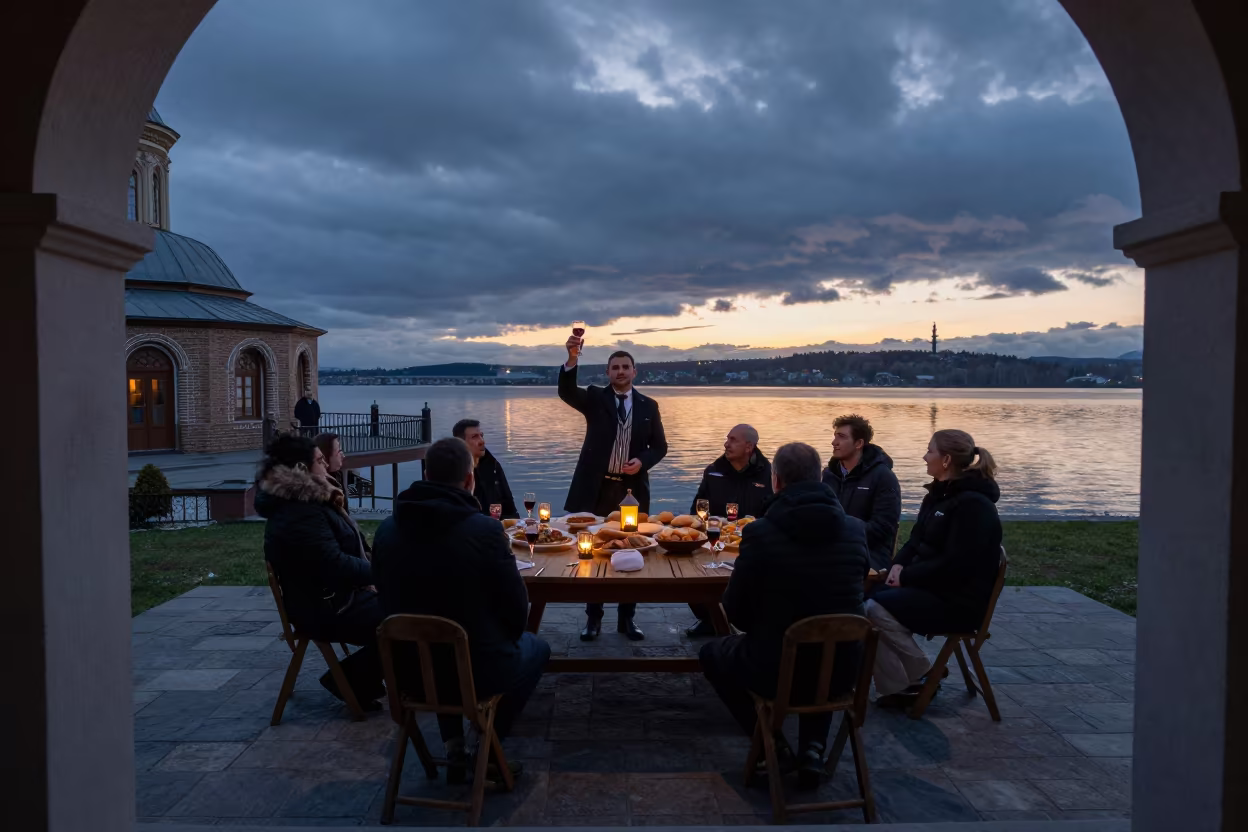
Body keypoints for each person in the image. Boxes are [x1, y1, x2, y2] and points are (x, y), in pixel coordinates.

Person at [372, 437, 551, 782]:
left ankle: (454, 746)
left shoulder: (387, 529)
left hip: (406, 672)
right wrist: (506, 635)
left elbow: (381, 592)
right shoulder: (484, 530)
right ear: (470, 481)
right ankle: (486, 745)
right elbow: (517, 613)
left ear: (425, 473)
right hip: (475, 670)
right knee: (536, 648)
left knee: (438, 648)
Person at [699, 442, 869, 790]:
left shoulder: (760, 533)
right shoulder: (854, 530)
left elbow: (737, 614)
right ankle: (813, 749)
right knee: (823, 648)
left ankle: (770, 744)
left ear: (776, 481)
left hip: (775, 671)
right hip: (845, 670)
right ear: (820, 476)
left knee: (712, 653)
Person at [866, 429, 1002, 709]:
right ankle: (906, 685)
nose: (924, 456)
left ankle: (921, 672)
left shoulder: (974, 506)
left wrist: (907, 577)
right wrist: (897, 567)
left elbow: (956, 564)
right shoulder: (937, 496)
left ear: (947, 459)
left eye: (930, 451)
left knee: (871, 609)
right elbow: (915, 540)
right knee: (865, 598)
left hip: (957, 602)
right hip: (932, 588)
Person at [254, 433, 384, 709]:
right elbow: (334, 565)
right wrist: (383, 573)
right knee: (408, 617)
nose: (325, 466)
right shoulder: (301, 511)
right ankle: (349, 680)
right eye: (320, 461)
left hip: (331, 599)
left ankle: (358, 679)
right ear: (302, 470)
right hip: (326, 608)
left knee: (411, 608)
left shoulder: (304, 503)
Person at [559, 339, 668, 641]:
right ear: (607, 372)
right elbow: (567, 391)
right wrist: (571, 359)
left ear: (635, 372)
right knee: (594, 553)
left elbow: (660, 447)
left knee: (632, 551)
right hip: (596, 487)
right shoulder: (594, 399)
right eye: (615, 367)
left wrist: (642, 461)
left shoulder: (649, 405)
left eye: (625, 367)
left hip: (631, 492)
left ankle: (627, 620)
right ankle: (593, 619)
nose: (620, 372)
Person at [685, 424, 773, 637]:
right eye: (727, 439)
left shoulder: (769, 474)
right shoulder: (713, 471)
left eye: (733, 440)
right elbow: (698, 510)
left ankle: (744, 622)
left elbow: (774, 513)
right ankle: (709, 618)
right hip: (715, 540)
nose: (726, 444)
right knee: (686, 572)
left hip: (755, 545)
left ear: (749, 446)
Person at [822, 414, 901, 572]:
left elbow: (882, 528)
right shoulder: (828, 475)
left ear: (859, 443)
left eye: (842, 437)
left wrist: (840, 533)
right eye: (835, 436)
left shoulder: (883, 477)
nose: (834, 442)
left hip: (870, 554)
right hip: (829, 549)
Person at [452, 418, 519, 519]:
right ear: (461, 443)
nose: (482, 441)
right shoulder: (455, 472)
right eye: (475, 437)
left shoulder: (493, 466)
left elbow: (510, 507)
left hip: (500, 529)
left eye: (481, 436)